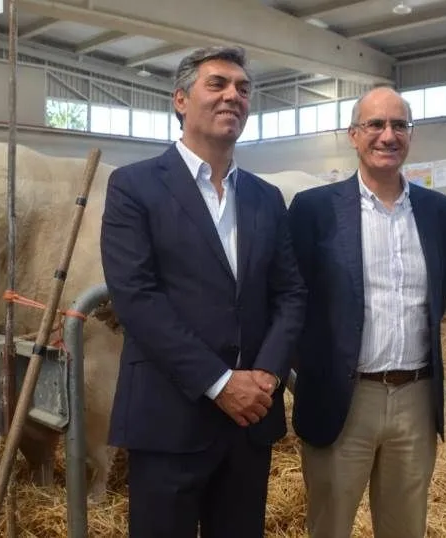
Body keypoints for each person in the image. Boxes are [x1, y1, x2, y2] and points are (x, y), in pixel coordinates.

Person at [99, 46, 306, 538]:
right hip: (171, 417)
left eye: (242, 88)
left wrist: (267, 375)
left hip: (250, 419)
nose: (233, 95)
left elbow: (291, 293)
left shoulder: (264, 197)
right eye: (217, 84)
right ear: (180, 100)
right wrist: (219, 382)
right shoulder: (134, 187)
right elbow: (137, 298)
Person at [288, 86, 446, 538]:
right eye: (376, 125)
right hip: (344, 399)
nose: (388, 135)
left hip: (416, 399)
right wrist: (318, 372)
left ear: (410, 135)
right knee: (330, 525)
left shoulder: (438, 210)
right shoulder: (314, 209)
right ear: (353, 135)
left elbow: (438, 295)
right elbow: (294, 298)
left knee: (406, 527)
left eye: (399, 125)